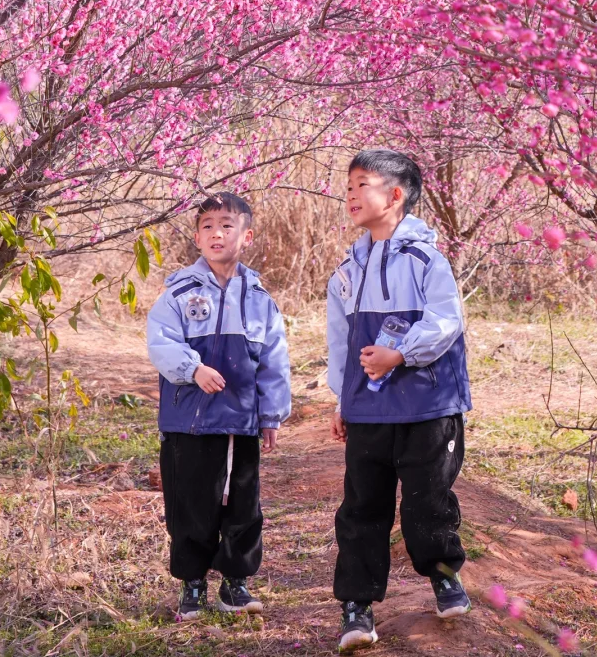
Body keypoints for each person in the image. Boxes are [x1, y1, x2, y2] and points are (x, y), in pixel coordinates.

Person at [327, 149, 472, 652]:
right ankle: (356, 606)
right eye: (348, 185)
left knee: (426, 500)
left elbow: (446, 322)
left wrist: (399, 354)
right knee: (362, 505)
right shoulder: (347, 269)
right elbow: (341, 342)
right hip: (368, 409)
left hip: (428, 406)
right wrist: (342, 398)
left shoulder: (427, 260)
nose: (351, 194)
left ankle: (444, 576)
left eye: (362, 184)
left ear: (395, 195)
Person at [146, 191, 291, 620]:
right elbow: (160, 343)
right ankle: (192, 585)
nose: (217, 233)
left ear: (246, 236)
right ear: (196, 237)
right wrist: (194, 369)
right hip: (189, 422)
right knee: (191, 503)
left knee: (242, 505)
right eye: (207, 226)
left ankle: (235, 583)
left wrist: (271, 413)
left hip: (241, 421)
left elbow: (274, 360)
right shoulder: (179, 292)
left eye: (227, 225)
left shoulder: (260, 298)